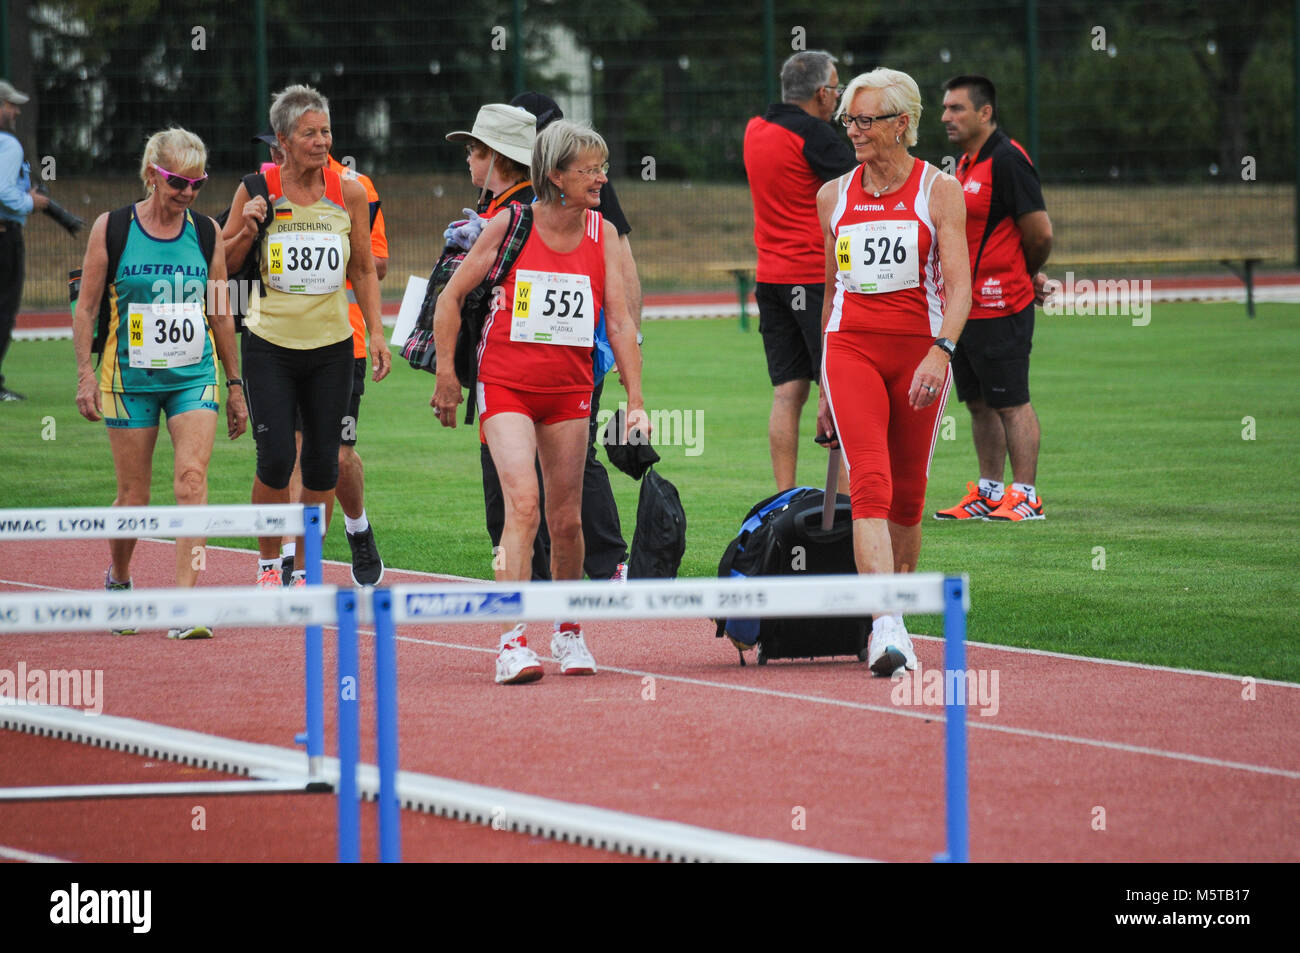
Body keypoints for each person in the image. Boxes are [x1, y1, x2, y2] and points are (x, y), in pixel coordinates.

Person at [432, 119, 648, 685]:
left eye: (603, 166)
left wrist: (638, 398)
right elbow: (451, 298)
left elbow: (620, 321)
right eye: (590, 169)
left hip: (570, 392)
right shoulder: (510, 224)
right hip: (506, 385)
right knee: (522, 505)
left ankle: (569, 632)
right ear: (555, 174)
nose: (602, 178)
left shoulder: (601, 234)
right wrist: (447, 376)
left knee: (568, 520)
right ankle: (512, 642)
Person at [815, 68, 971, 675]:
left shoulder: (939, 191)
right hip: (850, 349)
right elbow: (829, 296)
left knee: (907, 495)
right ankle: (885, 625)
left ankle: (894, 617)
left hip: (919, 354)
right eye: (847, 119)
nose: (853, 130)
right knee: (870, 483)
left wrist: (942, 351)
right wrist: (824, 387)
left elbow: (959, 289)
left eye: (865, 120)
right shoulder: (833, 196)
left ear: (902, 124)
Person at [72, 127, 247, 638]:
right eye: (177, 182)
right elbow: (85, 309)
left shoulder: (208, 233)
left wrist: (235, 386)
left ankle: (183, 605)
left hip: (193, 376)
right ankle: (120, 580)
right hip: (129, 379)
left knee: (192, 483)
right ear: (152, 174)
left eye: (197, 183)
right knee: (134, 497)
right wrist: (86, 375)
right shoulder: (114, 229)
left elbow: (220, 312)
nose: (188, 193)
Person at [221, 84, 390, 588]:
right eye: (309, 134)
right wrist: (248, 230)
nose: (321, 142)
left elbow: (363, 267)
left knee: (321, 464)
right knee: (275, 459)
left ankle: (306, 568)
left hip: (333, 347)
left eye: (326, 131)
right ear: (283, 140)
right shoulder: (255, 187)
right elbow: (223, 268)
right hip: (269, 344)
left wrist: (377, 333)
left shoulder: (350, 191)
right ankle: (269, 565)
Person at [934, 75, 1053, 522]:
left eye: (957, 108)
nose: (946, 116)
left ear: (985, 113)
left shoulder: (1007, 160)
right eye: (945, 108)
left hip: (1002, 303)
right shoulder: (965, 163)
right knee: (979, 403)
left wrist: (1027, 273)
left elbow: (1040, 233)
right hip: (966, 307)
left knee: (1011, 401)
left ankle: (1026, 495)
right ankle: (989, 491)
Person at [743, 52, 856, 491]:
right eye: (837, 88)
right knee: (843, 392)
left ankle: (784, 496)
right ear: (821, 93)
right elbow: (858, 187)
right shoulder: (815, 135)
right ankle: (847, 503)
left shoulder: (755, 130)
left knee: (787, 392)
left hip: (770, 276)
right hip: (814, 278)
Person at [0, 79, 50, 402]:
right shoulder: (8, 145)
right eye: (10, 104)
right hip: (5, 236)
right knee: (4, 308)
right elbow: (3, 191)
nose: (16, 111)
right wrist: (32, 202)